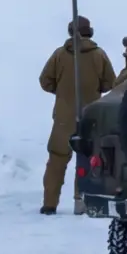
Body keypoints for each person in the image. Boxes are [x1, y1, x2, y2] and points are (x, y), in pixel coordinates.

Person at [39, 17, 116, 215]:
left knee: (57, 159)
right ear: (90, 32)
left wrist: (63, 91)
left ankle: (49, 204)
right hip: (90, 117)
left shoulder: (59, 54)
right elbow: (110, 83)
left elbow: (45, 81)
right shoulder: (99, 55)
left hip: (63, 117)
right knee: (87, 158)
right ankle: (80, 202)